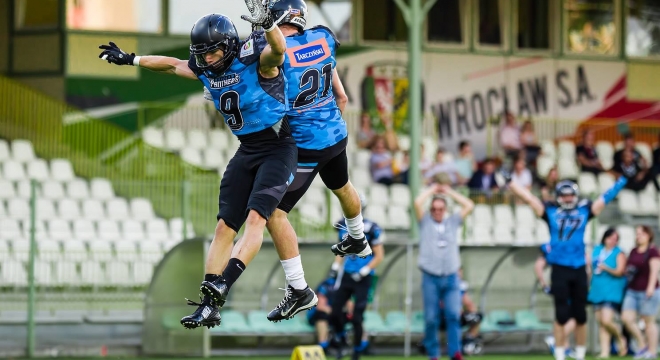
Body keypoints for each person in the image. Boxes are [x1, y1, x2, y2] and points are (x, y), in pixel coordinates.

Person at [98, 6, 312, 329]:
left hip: (278, 147)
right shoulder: (205, 67)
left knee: (257, 219)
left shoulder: (255, 58)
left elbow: (279, 50)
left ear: (227, 46)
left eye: (213, 52)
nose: (208, 59)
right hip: (248, 150)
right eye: (203, 53)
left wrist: (268, 24)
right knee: (224, 227)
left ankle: (225, 281)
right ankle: (209, 305)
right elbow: (171, 66)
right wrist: (132, 59)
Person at [258, 0, 371, 321]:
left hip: (306, 145)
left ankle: (298, 289)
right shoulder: (323, 38)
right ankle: (358, 237)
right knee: (342, 185)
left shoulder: (277, 55)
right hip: (335, 134)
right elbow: (343, 96)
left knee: (274, 214)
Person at [507, 172, 628, 360]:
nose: (567, 198)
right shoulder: (550, 211)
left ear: (575, 195)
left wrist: (623, 180)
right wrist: (511, 182)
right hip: (559, 268)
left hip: (579, 268)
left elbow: (605, 197)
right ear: (558, 196)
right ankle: (561, 355)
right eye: (563, 195)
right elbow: (529, 198)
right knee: (561, 315)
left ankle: (579, 355)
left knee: (580, 316)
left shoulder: (584, 210)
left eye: (570, 194)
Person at [414, 184, 475, 360]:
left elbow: (469, 205)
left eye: (440, 209)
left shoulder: (452, 222)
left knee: (453, 316)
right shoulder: (425, 222)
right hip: (430, 276)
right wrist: (432, 190)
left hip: (450, 276)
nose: (437, 212)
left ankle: (455, 352)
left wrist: (449, 192)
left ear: (445, 209)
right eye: (434, 209)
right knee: (431, 318)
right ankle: (433, 354)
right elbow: (417, 203)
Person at [329, 193, 384, 360]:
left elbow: (379, 255)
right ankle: (341, 338)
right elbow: (342, 250)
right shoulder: (341, 224)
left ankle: (357, 351)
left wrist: (365, 270)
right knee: (335, 312)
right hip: (347, 273)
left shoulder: (371, 227)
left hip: (363, 276)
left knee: (357, 317)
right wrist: (336, 265)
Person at [588, 227, 628, 358]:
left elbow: (620, 271)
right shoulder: (597, 250)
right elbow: (591, 269)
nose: (612, 241)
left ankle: (620, 338)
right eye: (611, 238)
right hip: (597, 290)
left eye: (615, 239)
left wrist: (606, 268)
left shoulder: (619, 253)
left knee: (606, 320)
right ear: (605, 238)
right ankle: (605, 351)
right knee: (601, 323)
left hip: (611, 291)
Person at [621, 226, 660, 359]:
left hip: (648, 290)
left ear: (648, 235)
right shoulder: (633, 250)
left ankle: (652, 351)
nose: (639, 236)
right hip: (632, 290)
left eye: (642, 234)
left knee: (649, 322)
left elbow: (655, 270)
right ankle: (643, 344)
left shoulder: (653, 251)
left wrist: (650, 287)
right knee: (626, 318)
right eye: (637, 234)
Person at [534, 243, 578, 356]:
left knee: (565, 316)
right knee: (574, 317)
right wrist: (544, 284)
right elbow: (539, 265)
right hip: (565, 287)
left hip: (565, 286)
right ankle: (555, 338)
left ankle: (565, 347)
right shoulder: (556, 246)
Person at [306, 273, 338, 354]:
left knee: (356, 316)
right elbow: (321, 306)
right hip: (316, 314)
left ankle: (362, 345)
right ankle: (323, 346)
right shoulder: (327, 285)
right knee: (322, 316)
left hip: (333, 314)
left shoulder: (346, 285)